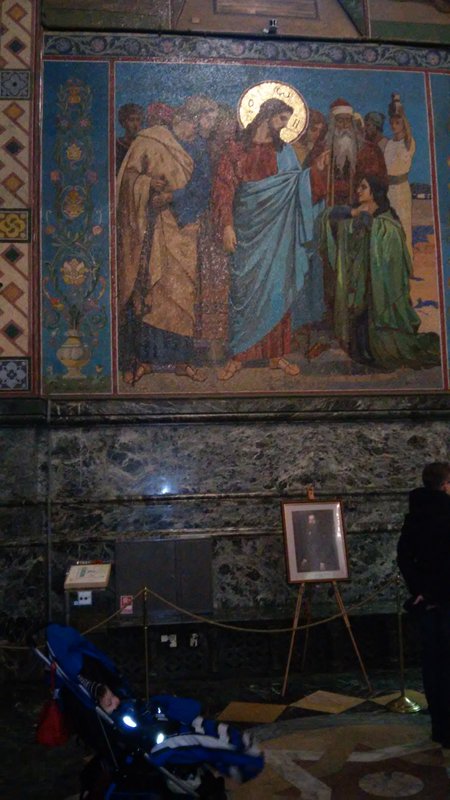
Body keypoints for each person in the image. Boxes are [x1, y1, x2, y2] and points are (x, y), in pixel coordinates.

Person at [212, 97, 329, 381]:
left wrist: (317, 171)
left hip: (278, 235)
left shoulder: (284, 152)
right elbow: (223, 189)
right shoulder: (236, 150)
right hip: (246, 233)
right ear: (266, 115)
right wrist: (227, 225)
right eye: (281, 119)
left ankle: (277, 356)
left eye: (288, 121)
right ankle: (238, 356)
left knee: (278, 289)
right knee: (243, 293)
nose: (284, 126)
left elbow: (297, 188)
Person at [116, 95, 219, 385]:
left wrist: (171, 196)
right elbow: (127, 179)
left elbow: (203, 187)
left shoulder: (199, 148)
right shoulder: (153, 139)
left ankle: (182, 361)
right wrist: (148, 185)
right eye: (204, 120)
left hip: (184, 228)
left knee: (182, 294)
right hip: (152, 225)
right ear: (188, 118)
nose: (205, 127)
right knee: (152, 287)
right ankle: (145, 361)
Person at [318, 169, 440, 370]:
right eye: (359, 187)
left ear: (374, 192)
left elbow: (392, 250)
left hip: (379, 287)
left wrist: (372, 228)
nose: (358, 191)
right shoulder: (358, 211)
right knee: (360, 328)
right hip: (361, 286)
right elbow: (329, 218)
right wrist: (354, 215)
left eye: (363, 187)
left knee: (382, 343)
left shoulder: (387, 221)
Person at [397, 462, 450, 747]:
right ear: (446, 485)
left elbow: (404, 557)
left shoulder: (415, 515)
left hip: (426, 603)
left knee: (433, 666)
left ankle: (440, 729)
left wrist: (419, 591)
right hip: (445, 600)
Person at [325, 98, 386, 206]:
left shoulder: (370, 150)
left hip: (359, 205)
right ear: (332, 124)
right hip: (331, 205)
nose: (344, 125)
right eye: (340, 121)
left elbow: (378, 181)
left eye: (347, 121)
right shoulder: (323, 149)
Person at [384, 94, 416, 259]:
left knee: (403, 224)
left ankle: (406, 262)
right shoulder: (389, 144)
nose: (394, 126)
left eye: (397, 123)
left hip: (401, 189)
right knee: (390, 224)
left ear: (403, 123)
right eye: (392, 123)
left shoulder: (408, 142)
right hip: (389, 189)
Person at [116, 103, 144, 173]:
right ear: (123, 123)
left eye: (138, 120)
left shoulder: (145, 144)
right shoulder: (117, 145)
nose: (135, 125)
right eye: (131, 120)